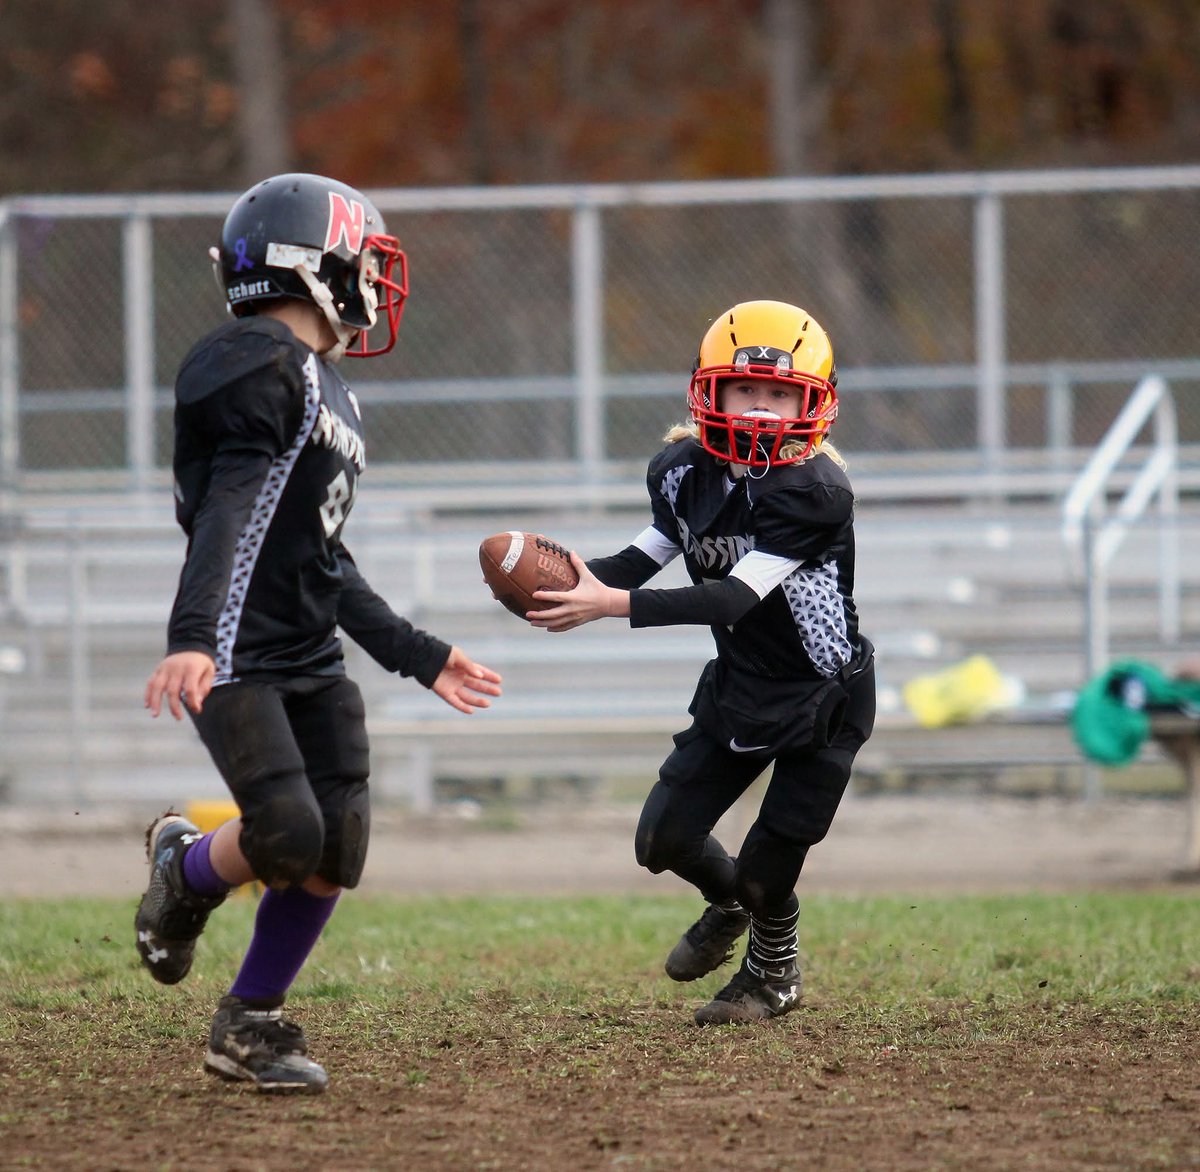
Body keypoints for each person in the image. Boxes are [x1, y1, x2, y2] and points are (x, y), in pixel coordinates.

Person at [138, 173, 503, 1093]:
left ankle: (249, 1023)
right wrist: (195, 637)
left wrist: (417, 655)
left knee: (336, 847)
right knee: (288, 833)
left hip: (307, 650)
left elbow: (320, 556)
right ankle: (186, 869)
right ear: (315, 265)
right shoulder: (255, 361)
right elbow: (229, 509)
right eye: (365, 262)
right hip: (236, 650)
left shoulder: (325, 386)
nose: (376, 283)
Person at [531, 300, 875, 1026]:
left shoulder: (816, 492)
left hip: (820, 698)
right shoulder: (684, 470)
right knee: (661, 839)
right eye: (746, 390)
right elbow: (642, 558)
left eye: (780, 394)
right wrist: (564, 578)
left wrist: (609, 608)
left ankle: (773, 969)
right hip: (740, 688)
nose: (760, 410)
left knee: (765, 871)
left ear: (815, 403)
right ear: (708, 391)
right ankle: (729, 905)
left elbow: (731, 598)